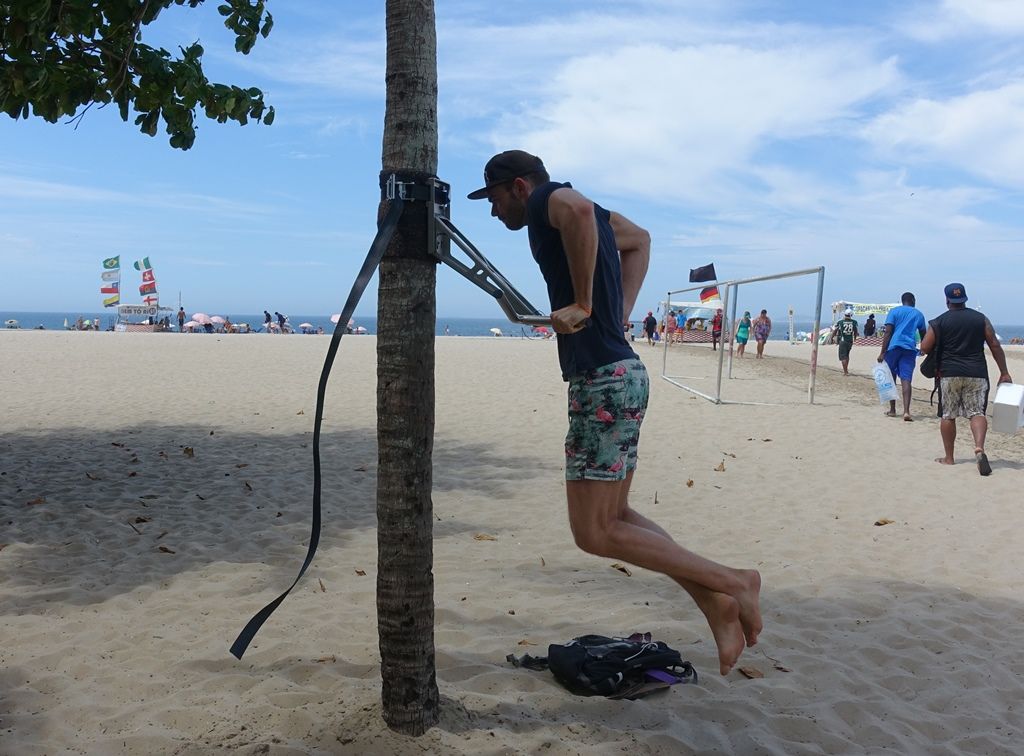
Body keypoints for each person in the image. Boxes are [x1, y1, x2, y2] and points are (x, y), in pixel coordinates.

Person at [468, 149, 761, 675]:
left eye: (491, 199)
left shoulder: (547, 201)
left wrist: (584, 303)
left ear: (516, 187)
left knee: (594, 532)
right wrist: (619, 310)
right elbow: (641, 240)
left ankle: (736, 581)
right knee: (618, 518)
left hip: (602, 381)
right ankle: (717, 603)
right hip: (621, 373)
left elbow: (575, 212)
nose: (492, 213)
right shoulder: (600, 217)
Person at [919, 283, 1012, 475]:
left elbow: (925, 347)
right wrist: (1004, 372)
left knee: (948, 415)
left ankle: (949, 458)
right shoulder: (980, 319)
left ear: (947, 301)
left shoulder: (939, 322)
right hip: (977, 373)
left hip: (949, 373)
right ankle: (979, 448)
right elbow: (994, 344)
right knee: (977, 412)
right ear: (965, 299)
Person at [877, 292, 927, 421]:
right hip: (909, 349)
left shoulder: (894, 312)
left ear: (902, 300)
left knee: (890, 378)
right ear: (913, 300)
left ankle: (893, 410)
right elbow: (923, 334)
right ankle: (906, 412)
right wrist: (923, 349)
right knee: (906, 380)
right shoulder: (918, 314)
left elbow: (888, 332)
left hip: (893, 347)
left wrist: (882, 352)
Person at [833, 308, 859, 375]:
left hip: (843, 341)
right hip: (850, 341)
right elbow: (855, 331)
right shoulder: (854, 322)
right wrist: (855, 338)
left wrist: (832, 337)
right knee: (847, 355)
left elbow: (835, 330)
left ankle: (845, 372)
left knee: (843, 356)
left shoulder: (840, 322)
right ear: (851, 315)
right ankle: (846, 369)